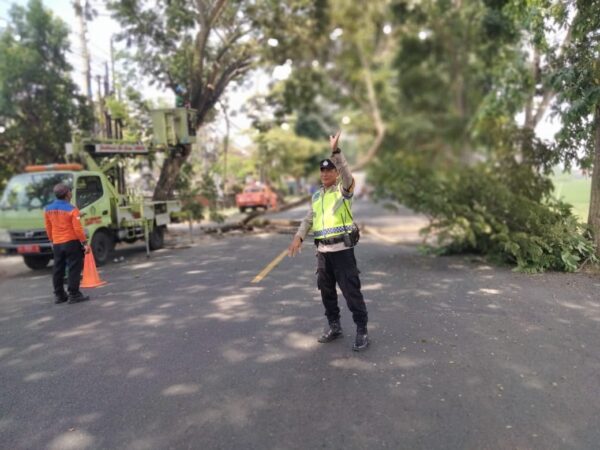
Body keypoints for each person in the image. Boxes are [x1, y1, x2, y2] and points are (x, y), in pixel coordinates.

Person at [288, 131, 369, 351]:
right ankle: (335, 326)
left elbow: (347, 174)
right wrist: (299, 236)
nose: (325, 173)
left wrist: (336, 152)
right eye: (322, 170)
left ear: (335, 173)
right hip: (323, 253)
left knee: (351, 292)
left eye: (329, 170)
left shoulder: (344, 190)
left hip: (342, 251)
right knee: (327, 292)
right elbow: (310, 218)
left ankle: (362, 330)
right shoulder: (316, 196)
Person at [44, 183, 90, 304]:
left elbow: (48, 227)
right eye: (70, 191)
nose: (71, 193)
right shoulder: (72, 209)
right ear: (67, 194)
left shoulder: (48, 209)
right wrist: (84, 242)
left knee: (58, 269)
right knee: (74, 268)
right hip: (71, 242)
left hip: (57, 243)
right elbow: (78, 229)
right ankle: (74, 295)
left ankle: (59, 295)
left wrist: (51, 240)